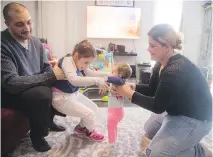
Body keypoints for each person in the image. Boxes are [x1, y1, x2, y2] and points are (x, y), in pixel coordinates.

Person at [112, 24, 212, 157]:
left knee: (156, 153)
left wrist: (129, 94)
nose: (148, 49)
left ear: (167, 47)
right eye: (149, 45)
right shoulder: (161, 63)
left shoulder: (174, 70)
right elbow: (153, 90)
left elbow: (157, 106)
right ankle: (184, 142)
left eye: (153, 46)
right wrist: (134, 87)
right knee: (150, 129)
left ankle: (199, 151)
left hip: (196, 118)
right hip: (176, 109)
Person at [1, 2, 66, 152]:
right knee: (41, 94)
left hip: (31, 83)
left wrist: (53, 75)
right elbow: (11, 83)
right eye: (19, 24)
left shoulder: (36, 42)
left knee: (57, 81)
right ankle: (38, 136)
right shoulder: (2, 44)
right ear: (7, 24)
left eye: (29, 22)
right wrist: (47, 77)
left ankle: (48, 121)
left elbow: (46, 68)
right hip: (9, 92)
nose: (27, 28)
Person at [52, 40, 109, 141]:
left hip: (73, 95)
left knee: (94, 109)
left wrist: (107, 75)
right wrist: (97, 81)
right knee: (89, 114)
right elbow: (74, 80)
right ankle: (90, 131)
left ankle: (81, 128)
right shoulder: (68, 61)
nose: (86, 65)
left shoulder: (79, 62)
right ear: (77, 55)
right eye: (86, 62)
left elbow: (89, 73)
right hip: (61, 98)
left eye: (89, 63)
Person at [107, 63, 132, 144]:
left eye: (112, 72)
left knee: (110, 126)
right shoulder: (119, 82)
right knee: (113, 127)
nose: (110, 74)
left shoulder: (120, 81)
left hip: (115, 112)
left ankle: (111, 143)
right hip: (115, 110)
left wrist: (106, 78)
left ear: (120, 75)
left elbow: (116, 79)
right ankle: (113, 139)